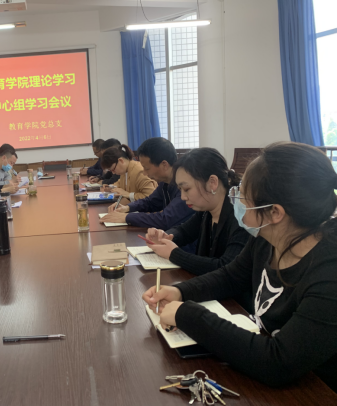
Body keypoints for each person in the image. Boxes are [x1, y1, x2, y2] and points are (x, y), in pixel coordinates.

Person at [143, 142, 337, 392]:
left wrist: (188, 315)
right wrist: (180, 291)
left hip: (316, 394)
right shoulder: (267, 238)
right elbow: (230, 276)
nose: (236, 200)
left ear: (275, 212)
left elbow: (278, 361)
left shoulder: (329, 274)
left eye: (243, 196)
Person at [143, 147, 250, 277]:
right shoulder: (206, 210)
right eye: (180, 190)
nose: (183, 197)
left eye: (187, 189)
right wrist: (165, 237)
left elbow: (226, 268)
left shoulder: (241, 216)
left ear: (212, 183)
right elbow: (184, 231)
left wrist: (174, 254)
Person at [99, 138, 195, 240]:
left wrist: (127, 217)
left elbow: (165, 219)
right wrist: (128, 208)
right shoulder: (165, 182)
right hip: (169, 238)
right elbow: (150, 202)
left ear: (164, 165)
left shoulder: (185, 187)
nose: (144, 173)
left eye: (147, 168)